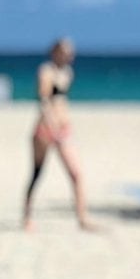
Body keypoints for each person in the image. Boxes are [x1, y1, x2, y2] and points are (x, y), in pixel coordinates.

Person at [22, 36, 94, 231]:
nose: (69, 55)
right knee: (37, 173)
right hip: (45, 128)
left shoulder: (67, 72)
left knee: (76, 174)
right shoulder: (46, 71)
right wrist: (52, 125)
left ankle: (82, 218)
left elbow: (61, 101)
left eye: (71, 52)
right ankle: (27, 216)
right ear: (55, 51)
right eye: (65, 51)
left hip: (63, 129)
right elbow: (43, 100)